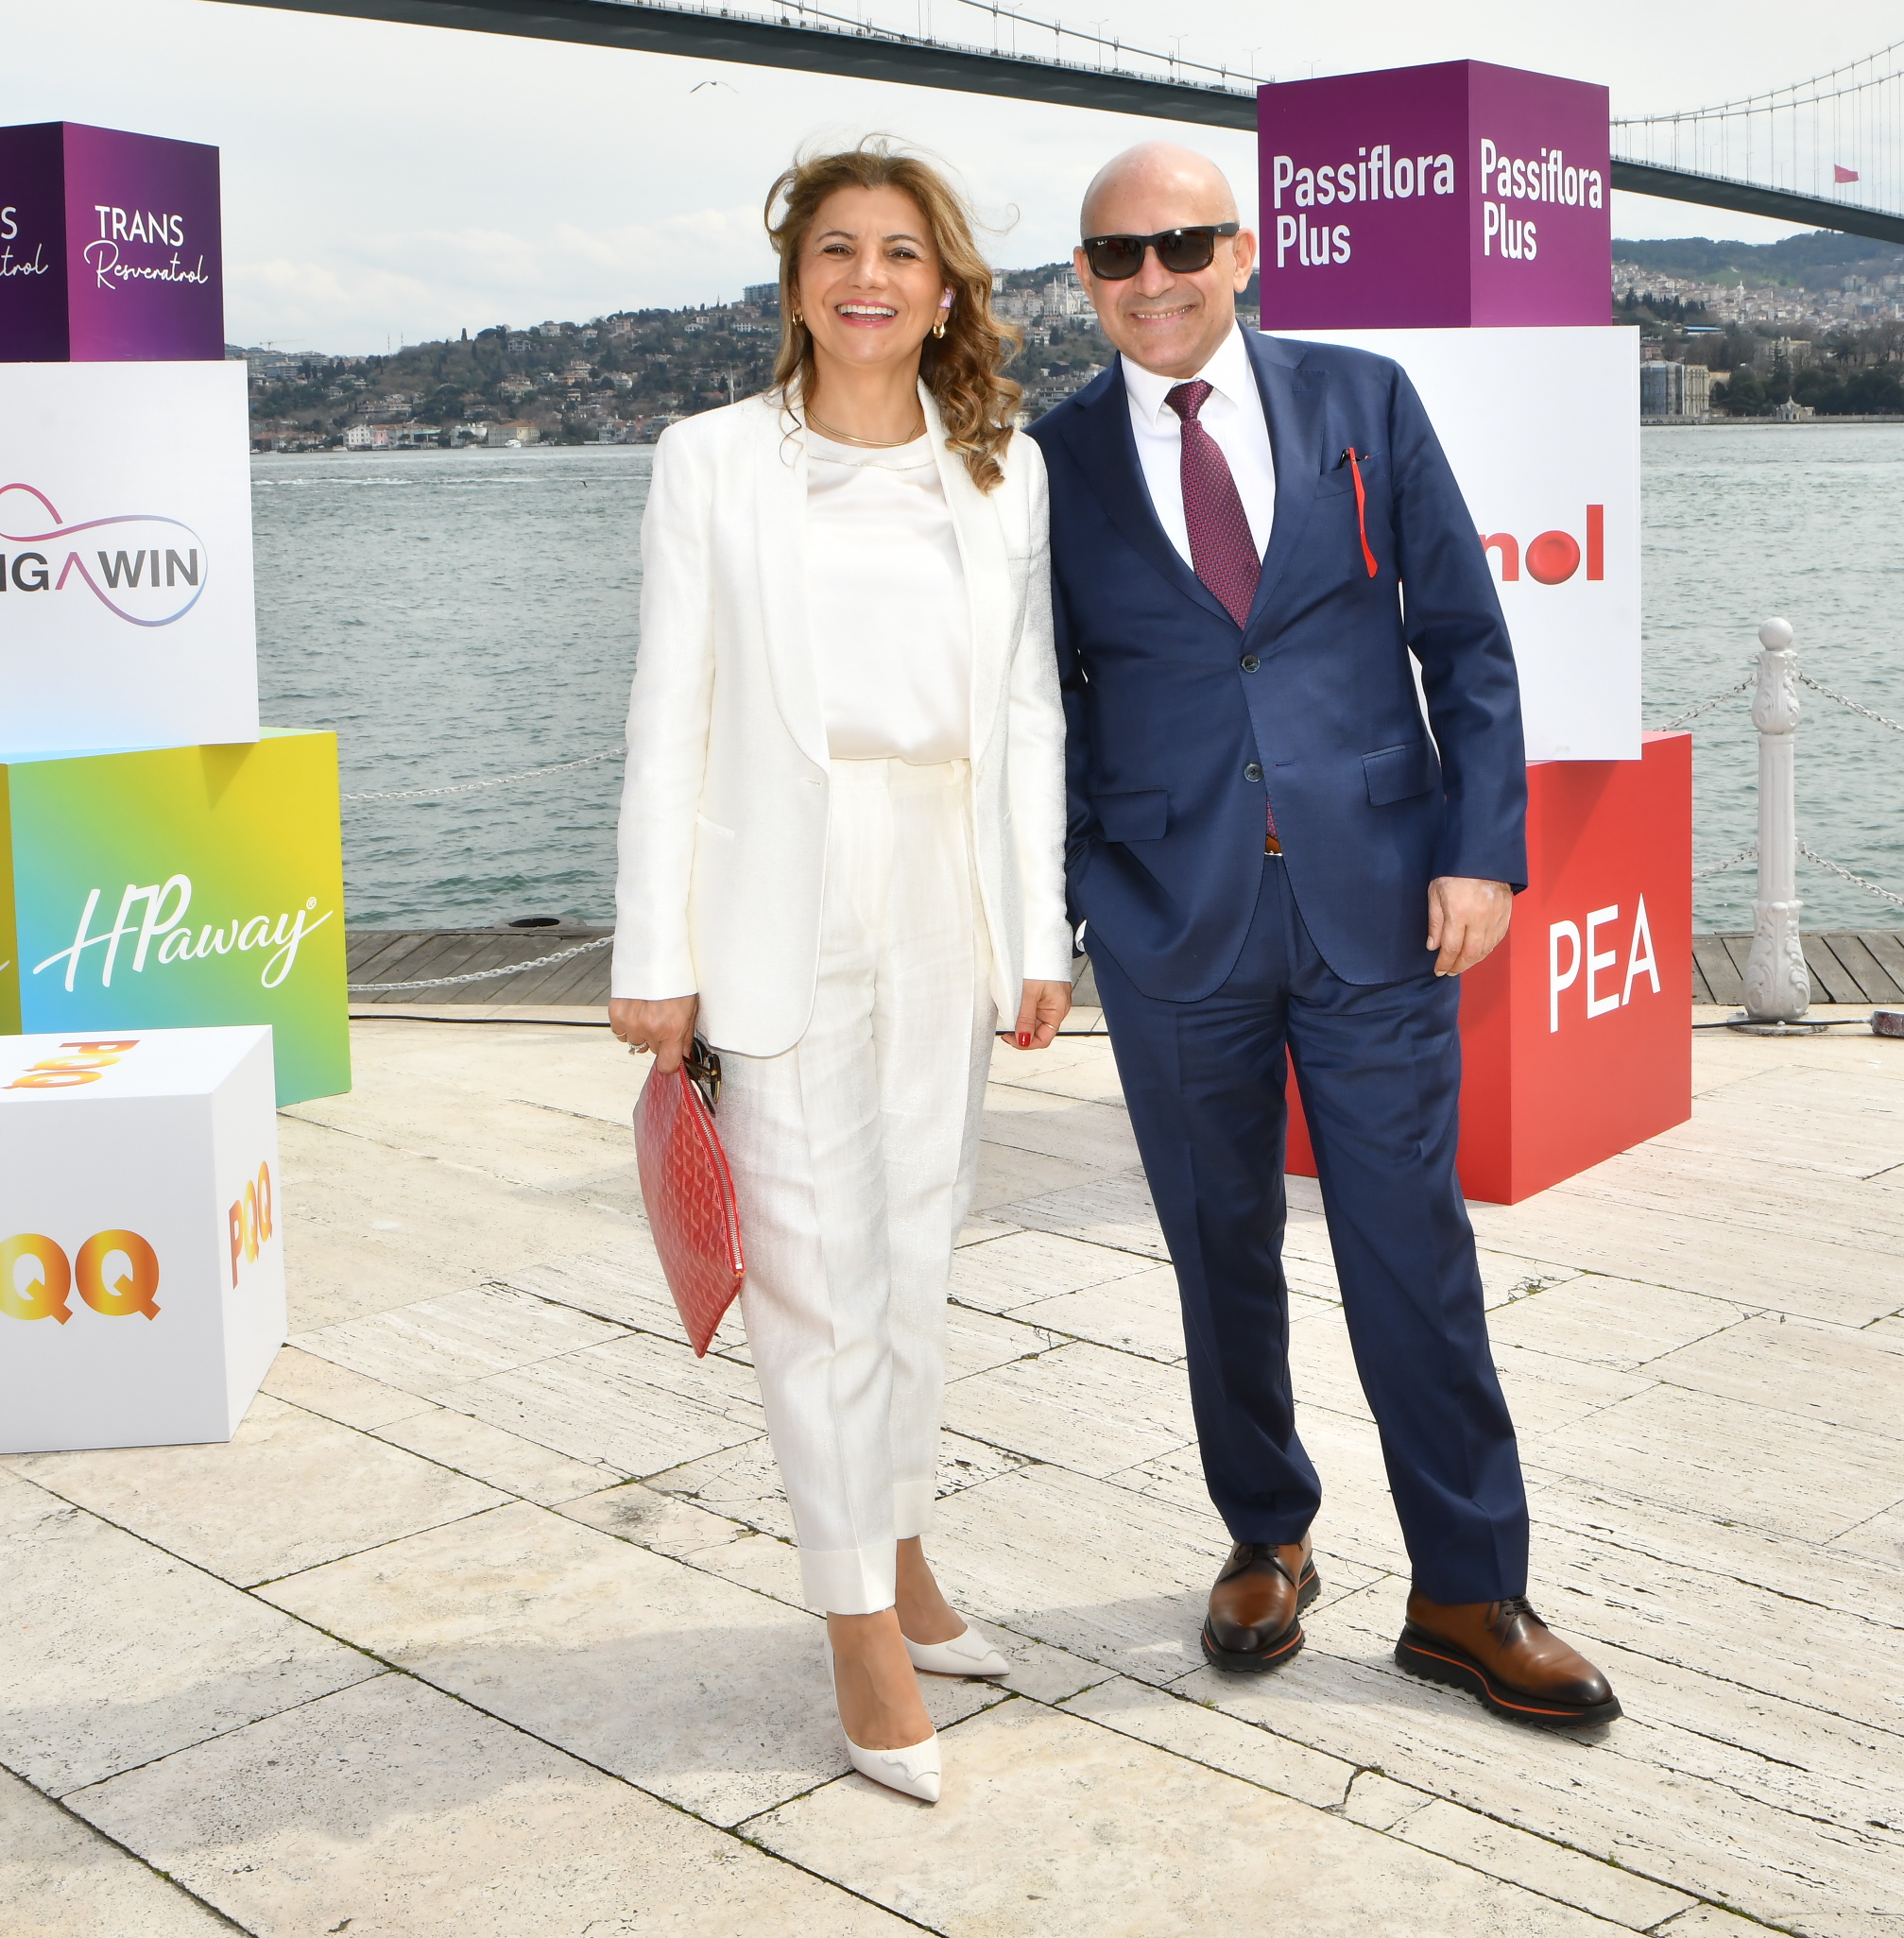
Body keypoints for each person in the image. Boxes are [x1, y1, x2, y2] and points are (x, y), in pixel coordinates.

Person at [1031, 140, 1621, 1726]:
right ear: (1084, 280)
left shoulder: (1365, 400)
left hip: (1378, 905)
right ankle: (1266, 1534)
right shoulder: (1050, 460)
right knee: (1216, 1251)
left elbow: (1466, 642)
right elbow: (1036, 703)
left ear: (1243, 253)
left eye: (1185, 244)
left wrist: (1481, 850)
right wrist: (1075, 897)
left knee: (1410, 1251)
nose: (1154, 278)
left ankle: (1469, 1590)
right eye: (1117, 256)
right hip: (1171, 922)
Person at [609, 139, 1076, 1805]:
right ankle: (857, 1629)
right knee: (812, 1273)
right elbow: (671, 711)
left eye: (899, 253)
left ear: (944, 290)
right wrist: (653, 953)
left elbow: (1027, 710)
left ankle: (903, 1544)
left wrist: (1036, 928)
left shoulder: (1002, 472)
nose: (866, 278)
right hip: (777, 903)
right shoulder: (710, 460)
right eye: (835, 250)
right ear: (795, 280)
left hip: (943, 876)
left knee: (913, 1248)